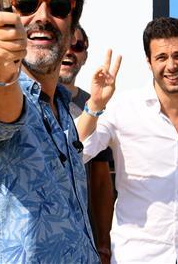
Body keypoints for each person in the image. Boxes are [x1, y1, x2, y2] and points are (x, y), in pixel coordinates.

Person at [0, 0, 119, 263]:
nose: (42, 16)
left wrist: (94, 107)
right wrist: (4, 69)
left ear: (72, 26)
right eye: (27, 4)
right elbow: (2, 110)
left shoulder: (62, 108)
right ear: (7, 18)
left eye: (58, 7)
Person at [82, 17, 178, 263]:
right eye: (161, 57)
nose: (171, 65)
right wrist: (94, 105)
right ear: (149, 62)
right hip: (138, 255)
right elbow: (78, 150)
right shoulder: (122, 109)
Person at [60, 26, 116, 264]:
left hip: (80, 239)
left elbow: (101, 180)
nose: (69, 51)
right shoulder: (23, 100)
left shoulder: (95, 102)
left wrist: (103, 242)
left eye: (77, 46)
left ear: (84, 56)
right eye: (64, 43)